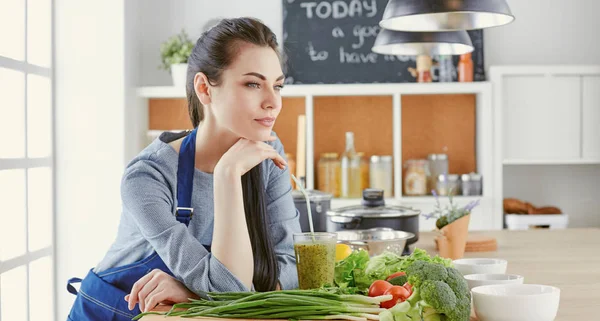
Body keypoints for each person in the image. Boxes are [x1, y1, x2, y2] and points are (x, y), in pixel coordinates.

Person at [66, 17, 301, 320]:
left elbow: (292, 268)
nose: (273, 102)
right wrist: (227, 174)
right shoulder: (147, 177)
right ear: (204, 88)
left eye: (278, 86)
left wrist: (193, 293)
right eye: (253, 84)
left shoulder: (268, 152)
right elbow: (231, 293)